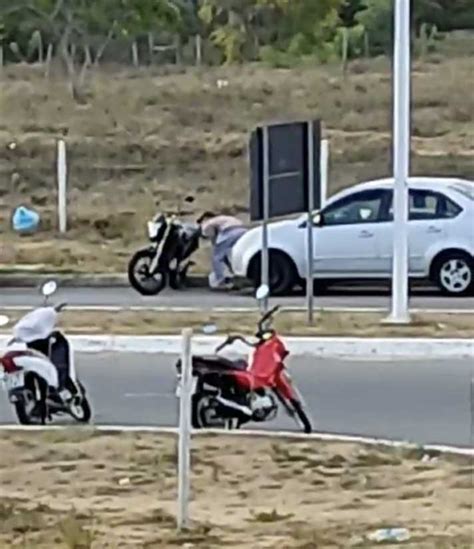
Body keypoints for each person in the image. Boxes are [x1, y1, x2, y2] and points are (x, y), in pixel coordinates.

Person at [197, 212, 247, 290]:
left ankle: (220, 281)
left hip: (229, 232)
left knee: (216, 258)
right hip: (243, 231)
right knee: (228, 256)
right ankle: (235, 277)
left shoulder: (208, 222)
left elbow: (210, 235)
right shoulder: (224, 218)